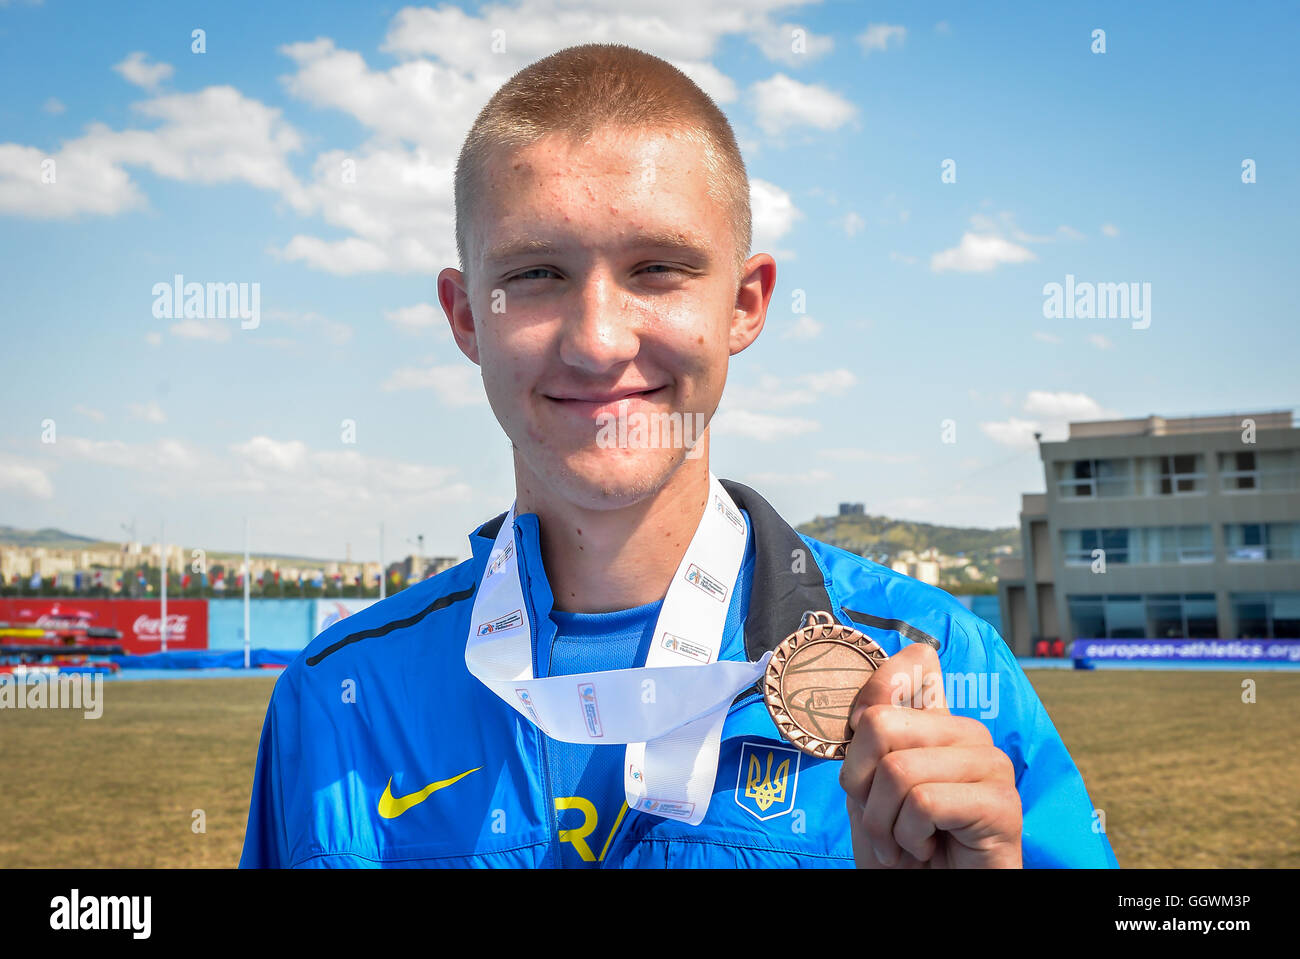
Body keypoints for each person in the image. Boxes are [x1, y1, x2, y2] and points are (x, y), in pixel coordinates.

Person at [239, 42, 1118, 869]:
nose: (596, 341)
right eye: (536, 274)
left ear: (744, 303)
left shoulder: (935, 667)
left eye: (657, 268)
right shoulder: (337, 700)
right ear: (467, 316)